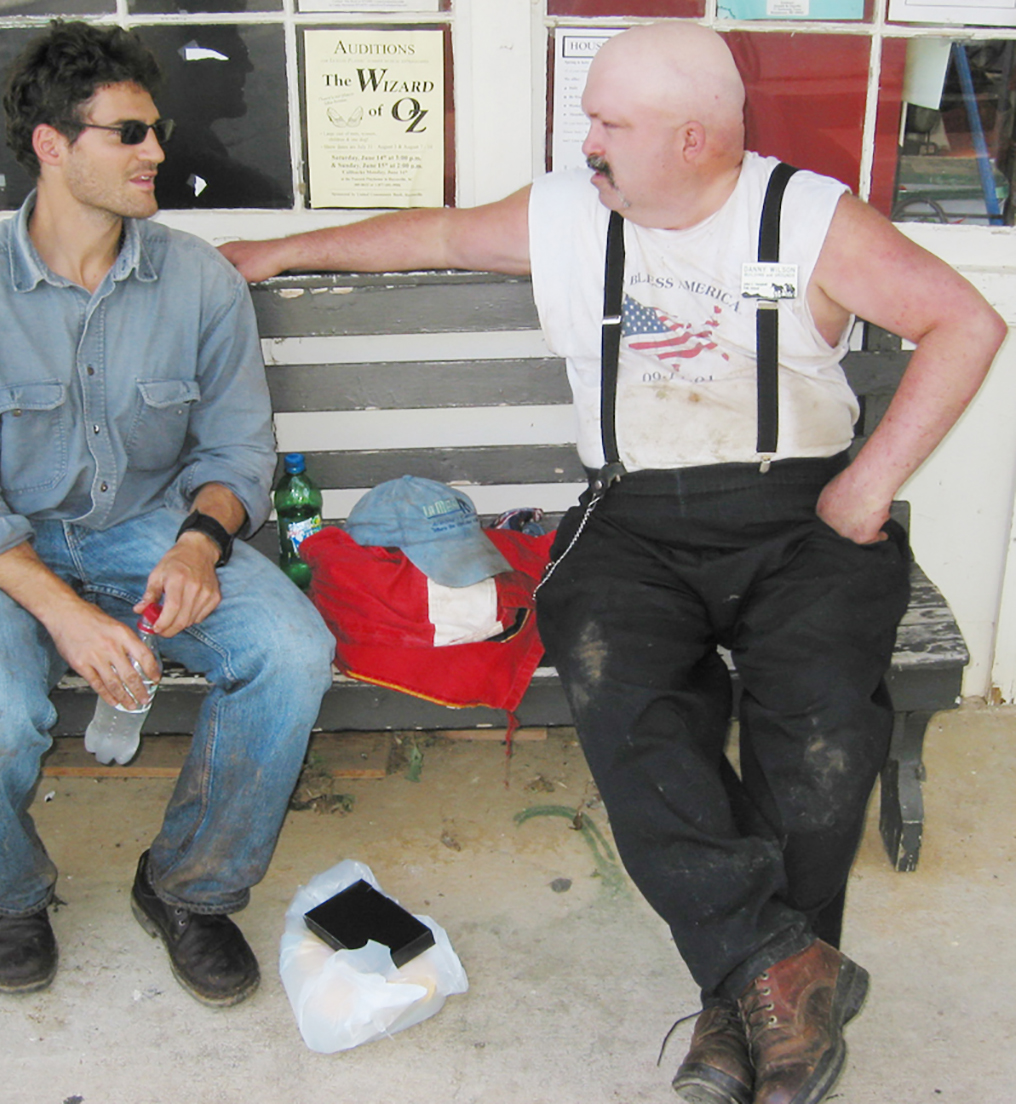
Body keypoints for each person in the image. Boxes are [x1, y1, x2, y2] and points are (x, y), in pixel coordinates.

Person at [218, 21, 1006, 1103]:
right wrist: (274, 252)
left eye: (608, 124)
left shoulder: (805, 215)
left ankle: (751, 1006)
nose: (584, 141)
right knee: (623, 699)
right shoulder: (567, 212)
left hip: (798, 511)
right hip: (632, 516)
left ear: (692, 139)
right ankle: (776, 975)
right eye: (587, 118)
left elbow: (962, 321)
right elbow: (436, 233)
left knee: (818, 732)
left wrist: (867, 483)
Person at [0, 21, 334, 1008]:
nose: (158, 153)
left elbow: (233, 457)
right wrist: (63, 612)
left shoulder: (198, 281)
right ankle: (8, 892)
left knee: (291, 650)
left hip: (146, 524)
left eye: (156, 129)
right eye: (129, 134)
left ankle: (189, 887)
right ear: (53, 145)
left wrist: (196, 545)